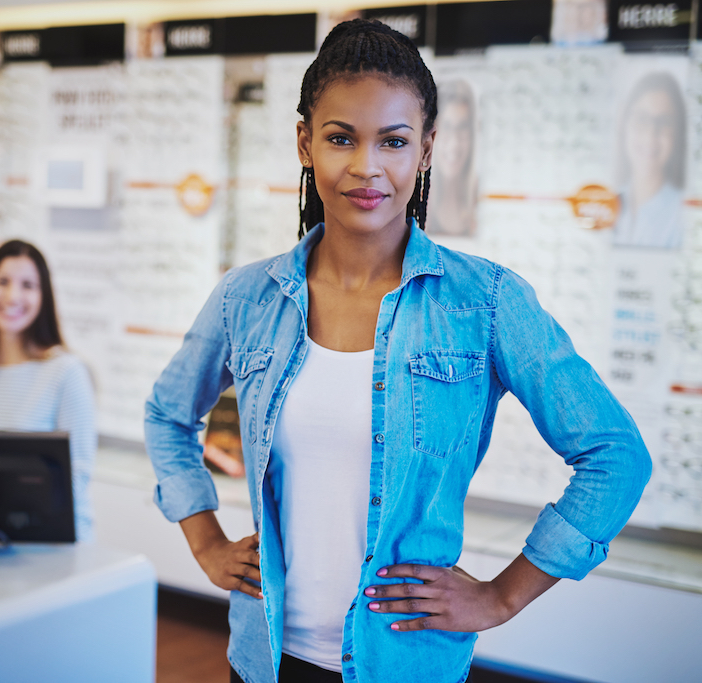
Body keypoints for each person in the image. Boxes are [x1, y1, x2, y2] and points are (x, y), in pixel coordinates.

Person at [145, 20, 651, 683]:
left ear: (427, 148)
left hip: (405, 663)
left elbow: (616, 455)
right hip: (263, 657)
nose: (366, 167)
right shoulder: (248, 298)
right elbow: (166, 415)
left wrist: (502, 594)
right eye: (339, 138)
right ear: (305, 142)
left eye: (393, 140)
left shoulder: (485, 302)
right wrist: (206, 540)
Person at [0, 239, 96, 541]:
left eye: (28, 285)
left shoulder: (67, 372)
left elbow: (77, 477)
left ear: (44, 297)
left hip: (52, 542)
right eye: (2, 281)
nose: (13, 295)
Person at [613, 72, 687, 250]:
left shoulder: (685, 216)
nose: (650, 135)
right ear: (624, 125)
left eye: (664, 122)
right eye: (641, 119)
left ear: (678, 133)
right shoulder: (605, 203)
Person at [425, 79, 477, 238]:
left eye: (462, 128)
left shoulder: (484, 202)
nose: (454, 143)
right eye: (446, 127)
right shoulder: (410, 205)